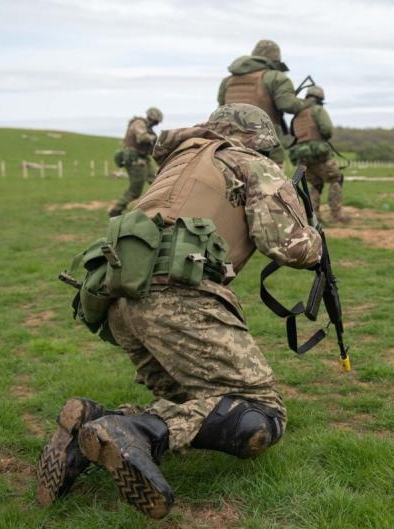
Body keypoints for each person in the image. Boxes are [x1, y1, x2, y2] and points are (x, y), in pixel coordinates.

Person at [35, 104, 322, 520]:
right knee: (261, 414)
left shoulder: (178, 161)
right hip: (177, 300)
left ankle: (92, 429)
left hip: (119, 302)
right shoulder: (248, 161)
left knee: (194, 401)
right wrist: (314, 235)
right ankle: (138, 431)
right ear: (258, 139)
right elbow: (291, 247)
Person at [218, 39, 311, 167]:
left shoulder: (228, 81)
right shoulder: (276, 77)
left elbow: (221, 108)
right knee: (274, 186)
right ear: (276, 58)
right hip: (264, 146)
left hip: (229, 144)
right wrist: (307, 103)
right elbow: (288, 105)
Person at [289, 86, 348, 223]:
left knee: (316, 185)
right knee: (336, 179)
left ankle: (314, 217)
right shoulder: (318, 110)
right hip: (319, 154)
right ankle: (337, 215)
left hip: (302, 157)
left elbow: (293, 133)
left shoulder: (297, 113)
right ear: (320, 99)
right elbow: (327, 130)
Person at [109, 107, 163, 217]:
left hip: (144, 159)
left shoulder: (147, 127)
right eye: (156, 121)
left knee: (157, 182)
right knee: (135, 190)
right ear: (152, 118)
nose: (156, 124)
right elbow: (141, 137)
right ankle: (116, 210)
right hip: (135, 160)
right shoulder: (139, 123)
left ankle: (160, 207)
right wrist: (154, 138)